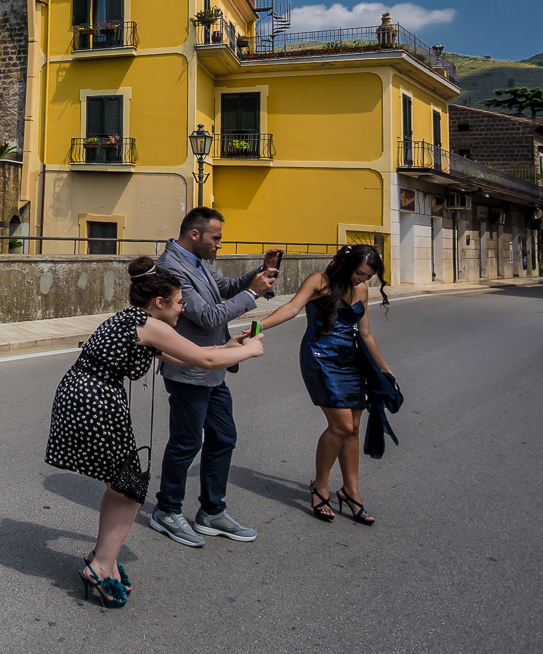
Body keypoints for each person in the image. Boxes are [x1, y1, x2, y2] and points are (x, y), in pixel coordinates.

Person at [46, 255, 266, 608]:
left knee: (120, 485)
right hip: (95, 399)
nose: (183, 309)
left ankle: (104, 559)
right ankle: (101, 565)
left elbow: (186, 356)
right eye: (180, 303)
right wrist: (251, 351)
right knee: (129, 489)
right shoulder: (149, 324)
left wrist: (230, 347)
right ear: (160, 302)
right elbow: (204, 362)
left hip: (83, 393)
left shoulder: (135, 320)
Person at [150, 208, 282, 548]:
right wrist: (252, 295)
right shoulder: (170, 267)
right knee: (187, 442)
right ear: (195, 234)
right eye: (216, 238)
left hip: (213, 368)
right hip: (188, 369)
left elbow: (223, 288)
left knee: (223, 437)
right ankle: (167, 510)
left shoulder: (195, 260)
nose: (219, 245)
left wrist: (259, 273)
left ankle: (211, 511)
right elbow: (207, 316)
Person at [248, 243, 391, 524]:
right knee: (342, 425)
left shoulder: (360, 290)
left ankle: (351, 491)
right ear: (348, 264)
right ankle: (321, 486)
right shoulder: (319, 280)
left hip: (351, 360)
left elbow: (366, 333)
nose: (361, 280)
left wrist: (385, 369)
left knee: (354, 428)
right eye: (360, 273)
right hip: (320, 357)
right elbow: (291, 308)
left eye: (367, 277)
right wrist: (258, 326)